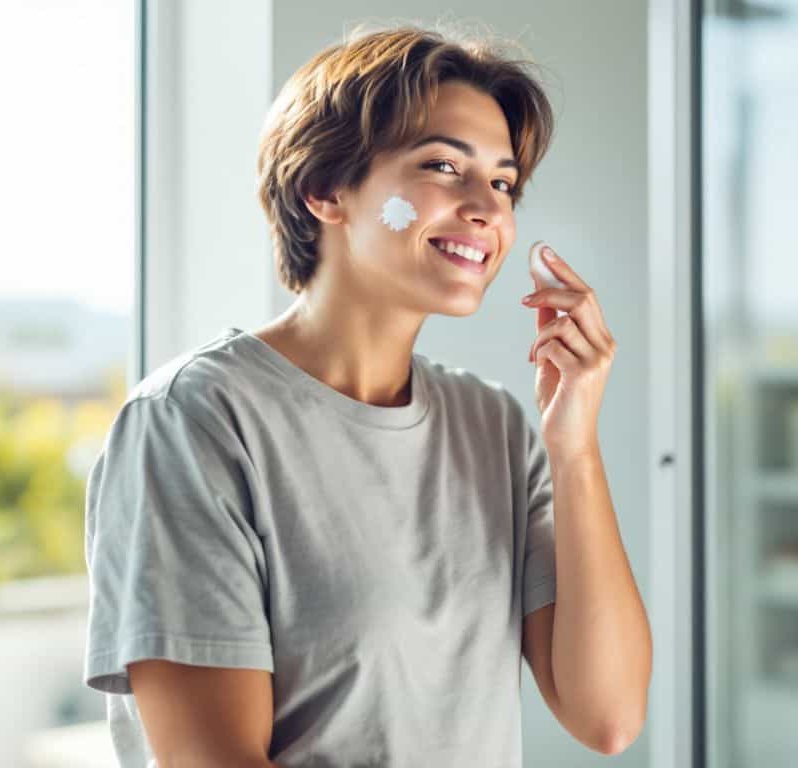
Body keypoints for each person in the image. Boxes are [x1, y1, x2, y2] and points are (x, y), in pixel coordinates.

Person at [82, 23, 651, 767]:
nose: (488, 208)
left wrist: (573, 445)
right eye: (444, 166)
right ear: (325, 190)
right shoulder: (194, 423)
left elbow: (606, 717)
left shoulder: (497, 428)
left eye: (504, 182)